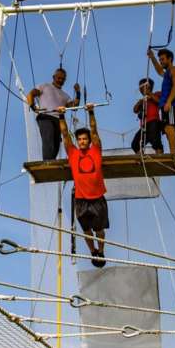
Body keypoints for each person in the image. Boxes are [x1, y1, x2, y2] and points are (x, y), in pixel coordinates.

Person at [58, 104, 108, 268]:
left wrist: (91, 112)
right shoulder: (73, 153)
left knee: (99, 230)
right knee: (87, 231)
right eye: (79, 139)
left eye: (84, 139)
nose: (82, 141)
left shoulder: (96, 150)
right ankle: (93, 251)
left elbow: (94, 130)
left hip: (97, 199)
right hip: (81, 200)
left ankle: (100, 251)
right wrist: (61, 115)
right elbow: (65, 134)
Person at [26, 68, 80, 160]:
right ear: (53, 77)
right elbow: (31, 94)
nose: (60, 80)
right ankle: (47, 163)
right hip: (45, 116)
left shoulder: (65, 95)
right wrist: (32, 106)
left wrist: (78, 92)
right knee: (49, 138)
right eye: (58, 78)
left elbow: (74, 106)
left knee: (56, 144)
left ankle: (51, 161)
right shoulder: (44, 86)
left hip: (58, 120)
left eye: (63, 79)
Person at [147, 48, 175, 154]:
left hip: (169, 105)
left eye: (162, 59)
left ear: (169, 59)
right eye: (160, 60)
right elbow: (159, 71)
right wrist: (152, 57)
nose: (161, 62)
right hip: (164, 106)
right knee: (167, 130)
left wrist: (169, 101)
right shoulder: (166, 74)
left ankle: (174, 153)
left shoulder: (174, 70)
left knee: (169, 127)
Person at [131, 78, 164, 154]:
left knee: (156, 142)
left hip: (154, 122)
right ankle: (142, 159)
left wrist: (149, 94)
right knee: (135, 144)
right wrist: (140, 102)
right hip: (144, 125)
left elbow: (160, 101)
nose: (141, 89)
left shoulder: (156, 94)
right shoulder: (142, 100)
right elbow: (135, 110)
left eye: (143, 87)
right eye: (141, 88)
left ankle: (160, 156)